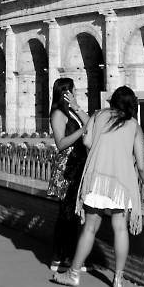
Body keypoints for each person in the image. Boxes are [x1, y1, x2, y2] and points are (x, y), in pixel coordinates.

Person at [53, 85, 144, 287]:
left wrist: (99, 150)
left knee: (89, 227)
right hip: (122, 182)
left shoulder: (99, 115)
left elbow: (87, 141)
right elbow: (141, 164)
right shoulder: (134, 125)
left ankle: (73, 274)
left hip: (97, 177)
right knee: (121, 229)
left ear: (113, 101)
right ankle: (118, 278)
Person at [47, 78, 89, 274]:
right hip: (66, 167)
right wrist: (81, 131)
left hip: (78, 164)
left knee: (73, 213)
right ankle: (59, 256)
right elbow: (61, 143)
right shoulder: (57, 114)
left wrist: (77, 107)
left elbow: (91, 124)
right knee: (66, 214)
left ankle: (68, 256)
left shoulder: (71, 111)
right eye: (73, 90)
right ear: (66, 92)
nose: (76, 91)